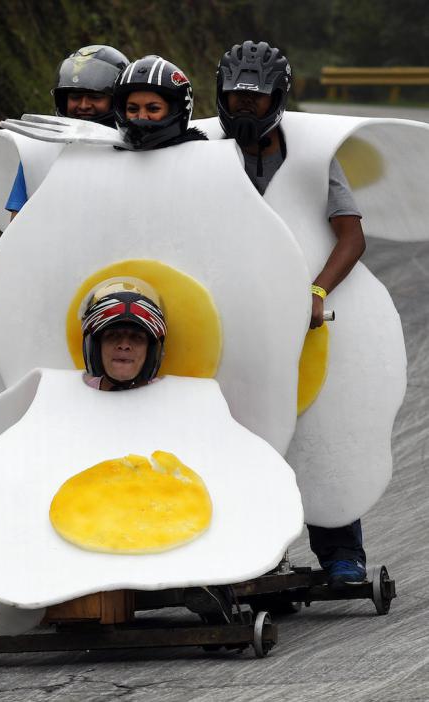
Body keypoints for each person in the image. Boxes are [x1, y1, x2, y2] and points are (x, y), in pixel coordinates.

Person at [0, 280, 167, 635]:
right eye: (113, 336)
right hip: (77, 509)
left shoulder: (176, 400)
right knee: (13, 509)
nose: (124, 344)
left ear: (152, 349)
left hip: (147, 513)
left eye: (136, 337)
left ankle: (212, 590)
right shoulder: (63, 397)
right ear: (94, 345)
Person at [217, 40, 367, 588]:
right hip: (230, 322)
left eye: (254, 101)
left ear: (278, 99)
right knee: (241, 431)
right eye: (234, 99)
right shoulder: (203, 150)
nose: (242, 111)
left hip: (302, 319)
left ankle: (341, 552)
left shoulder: (310, 155)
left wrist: (318, 293)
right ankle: (261, 551)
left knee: (317, 426)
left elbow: (351, 236)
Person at [6, 44, 130, 218]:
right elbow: (17, 222)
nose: (84, 105)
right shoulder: (40, 150)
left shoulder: (133, 150)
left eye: (95, 97)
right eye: (75, 97)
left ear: (117, 100)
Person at [113, 55, 207, 150]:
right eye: (132, 109)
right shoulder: (110, 153)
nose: (142, 117)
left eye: (153, 109)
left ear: (174, 110)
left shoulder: (201, 154)